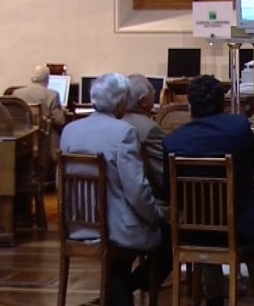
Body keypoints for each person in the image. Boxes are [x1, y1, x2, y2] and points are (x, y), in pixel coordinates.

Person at [163, 74, 254, 306]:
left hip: (196, 231)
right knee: (252, 211)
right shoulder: (238, 126)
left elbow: (168, 191)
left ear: (190, 105)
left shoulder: (173, 141)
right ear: (222, 103)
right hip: (243, 228)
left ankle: (214, 297)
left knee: (205, 215)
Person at [60, 73, 172, 306]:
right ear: (122, 102)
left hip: (78, 225)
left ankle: (114, 294)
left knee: (118, 266)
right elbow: (137, 191)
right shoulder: (123, 133)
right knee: (166, 234)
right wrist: (155, 216)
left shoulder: (70, 130)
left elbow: (61, 182)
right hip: (117, 229)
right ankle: (123, 290)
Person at [122, 73, 169, 218]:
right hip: (147, 206)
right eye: (153, 93)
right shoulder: (150, 129)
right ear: (143, 101)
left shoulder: (115, 123)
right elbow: (164, 177)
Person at [14, 65, 65, 130]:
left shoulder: (17, 93)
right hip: (45, 134)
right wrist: (62, 111)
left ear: (31, 78)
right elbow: (60, 122)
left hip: (24, 134)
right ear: (47, 78)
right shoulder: (53, 94)